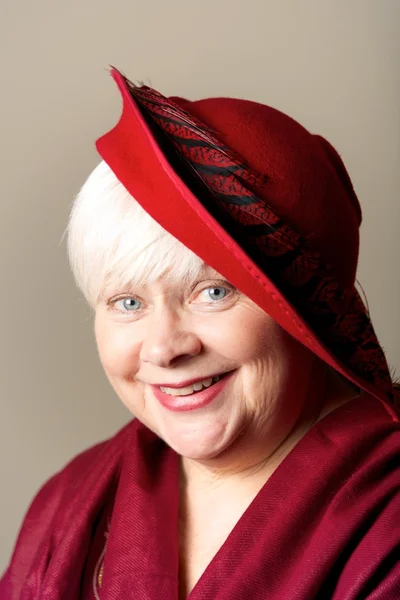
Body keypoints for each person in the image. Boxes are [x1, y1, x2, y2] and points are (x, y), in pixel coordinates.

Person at [1, 67, 399, 600]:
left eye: (213, 292)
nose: (165, 349)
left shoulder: (387, 513)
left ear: (306, 311)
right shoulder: (70, 498)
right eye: (127, 302)